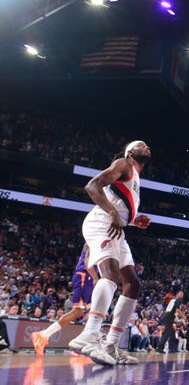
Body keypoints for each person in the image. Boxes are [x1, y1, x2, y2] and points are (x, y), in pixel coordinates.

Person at [67, 141, 152, 366]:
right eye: (142, 145)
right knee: (111, 275)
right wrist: (113, 212)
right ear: (130, 153)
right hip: (102, 222)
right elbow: (92, 186)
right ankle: (90, 333)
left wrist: (134, 221)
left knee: (133, 283)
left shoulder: (135, 178)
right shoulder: (124, 164)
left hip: (118, 229)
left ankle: (111, 345)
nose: (147, 147)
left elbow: (119, 206)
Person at [32, 245, 98, 356]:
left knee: (88, 311)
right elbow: (88, 261)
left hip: (88, 278)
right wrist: (96, 277)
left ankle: (79, 346)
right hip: (85, 276)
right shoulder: (95, 237)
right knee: (79, 311)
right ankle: (44, 335)